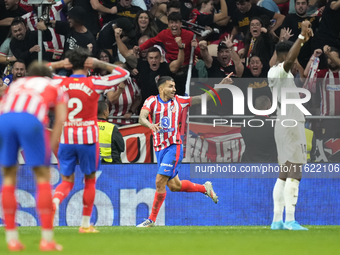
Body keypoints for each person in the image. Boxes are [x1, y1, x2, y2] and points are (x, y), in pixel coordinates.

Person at [48, 48, 129, 233]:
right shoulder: (94, 82)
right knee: (90, 181)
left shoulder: (61, 82)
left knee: (67, 181)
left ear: (70, 64)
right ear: (88, 64)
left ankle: (55, 201)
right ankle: (85, 224)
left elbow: (38, 71)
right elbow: (124, 73)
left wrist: (60, 64)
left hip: (66, 137)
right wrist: (100, 64)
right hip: (88, 139)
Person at [136, 74, 233, 227]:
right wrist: (150, 125)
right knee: (174, 186)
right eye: (170, 86)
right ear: (161, 89)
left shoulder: (180, 101)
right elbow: (142, 118)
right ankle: (204, 189)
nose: (174, 89)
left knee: (159, 181)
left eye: (174, 86)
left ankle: (151, 220)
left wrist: (220, 85)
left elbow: (203, 98)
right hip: (159, 149)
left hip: (174, 147)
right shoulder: (151, 101)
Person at [0, 61, 68, 251]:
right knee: (41, 176)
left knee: (8, 178)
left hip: (4, 120)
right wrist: (51, 147)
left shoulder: (15, 84)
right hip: (29, 119)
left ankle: (12, 239)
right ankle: (47, 240)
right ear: (47, 76)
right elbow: (60, 119)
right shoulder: (54, 85)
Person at [268, 20, 313, 231]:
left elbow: (290, 61)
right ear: (286, 56)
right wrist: (302, 37)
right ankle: (290, 220)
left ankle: (277, 220)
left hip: (283, 124)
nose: (295, 64)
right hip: (291, 125)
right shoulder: (280, 70)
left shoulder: (277, 74)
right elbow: (289, 62)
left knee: (284, 173)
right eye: (293, 59)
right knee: (295, 171)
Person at [241, 95, 278, 162]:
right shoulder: (274, 124)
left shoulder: (245, 123)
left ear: (255, 108)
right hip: (268, 165)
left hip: (248, 163)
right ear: (269, 108)